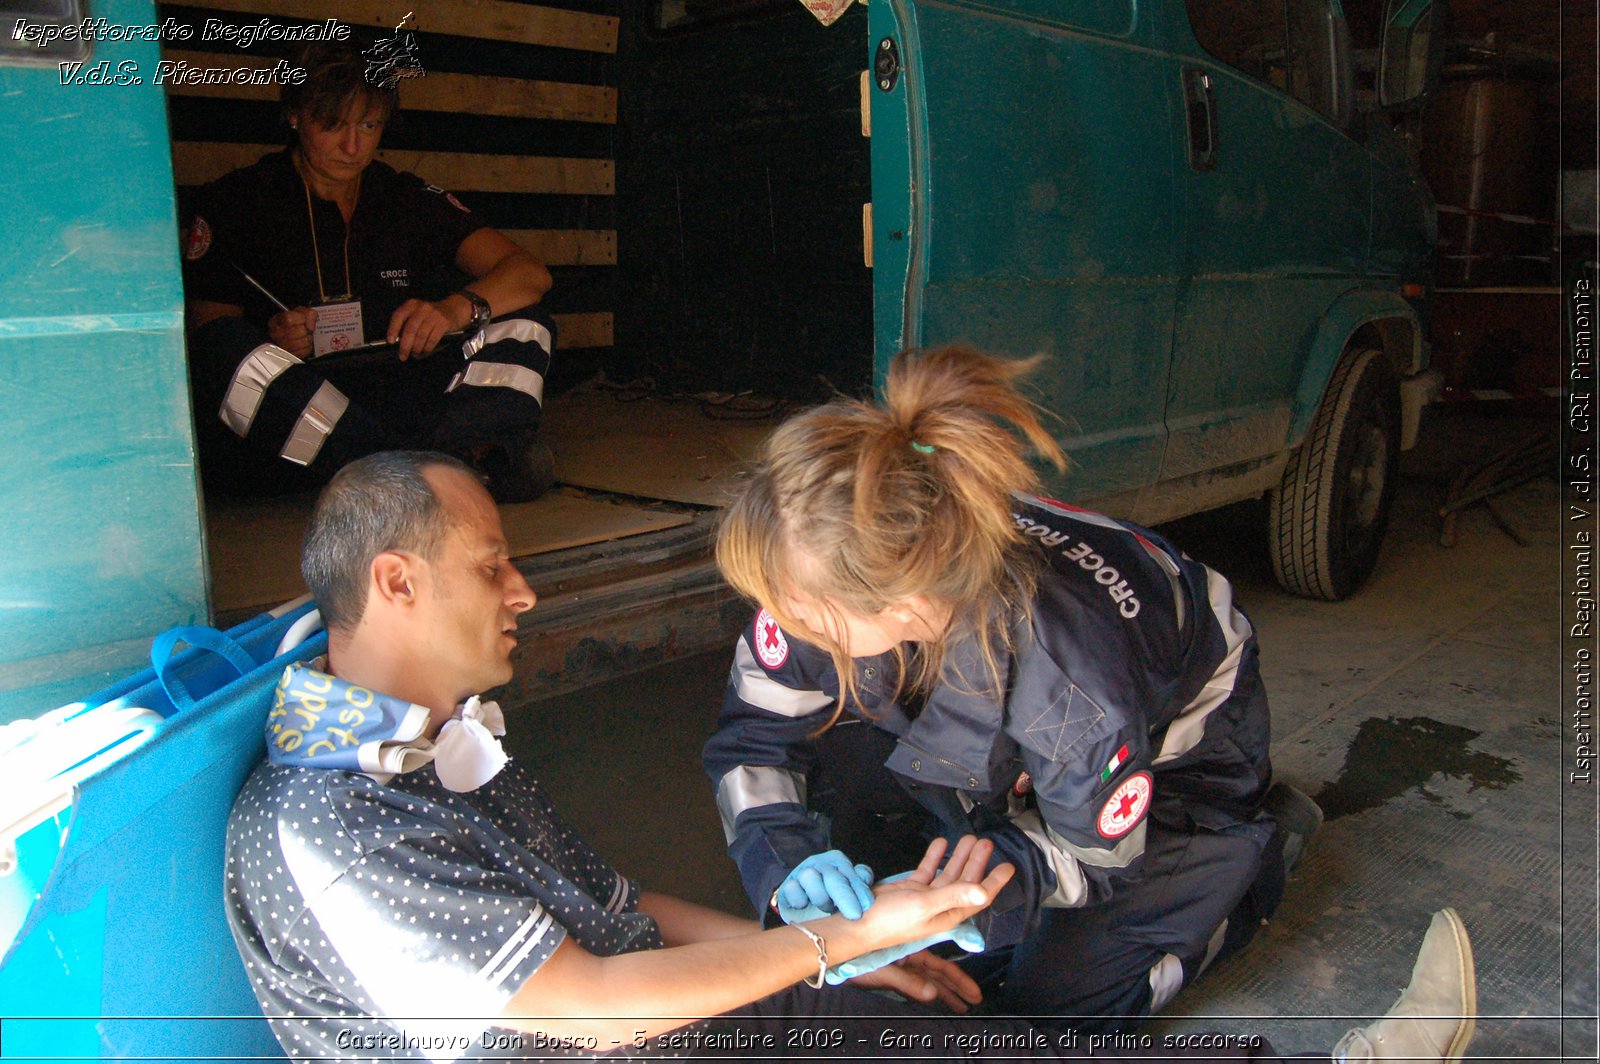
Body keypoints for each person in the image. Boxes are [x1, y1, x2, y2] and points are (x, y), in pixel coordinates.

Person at [223, 449, 1475, 1063]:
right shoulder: (335, 820)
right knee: (954, 1012)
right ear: (395, 581)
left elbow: (612, 913)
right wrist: (817, 929)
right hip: (620, 1040)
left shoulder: (422, 751)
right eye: (496, 565)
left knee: (1017, 983)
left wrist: (843, 959)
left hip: (1157, 790)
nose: (530, 591)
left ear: (906, 606)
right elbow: (596, 1001)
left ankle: (1249, 860)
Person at [704, 346, 1327, 1032]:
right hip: (1043, 709)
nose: (777, 620)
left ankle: (1246, 866)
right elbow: (754, 743)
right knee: (939, 956)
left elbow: (1100, 854)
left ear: (904, 605)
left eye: (799, 612)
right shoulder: (840, 554)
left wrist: (1007, 871)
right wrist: (784, 864)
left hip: (1183, 752)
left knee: (1048, 1009)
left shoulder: (1071, 689)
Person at [182, 41, 556, 502]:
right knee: (224, 352)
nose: (353, 146)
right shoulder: (238, 200)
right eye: (332, 124)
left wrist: (453, 310)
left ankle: (417, 466)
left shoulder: (403, 196)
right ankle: (431, 470)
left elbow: (529, 273)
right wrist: (271, 338)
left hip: (396, 390)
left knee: (526, 321)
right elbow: (207, 329)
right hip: (302, 414)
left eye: (369, 125)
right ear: (295, 115)